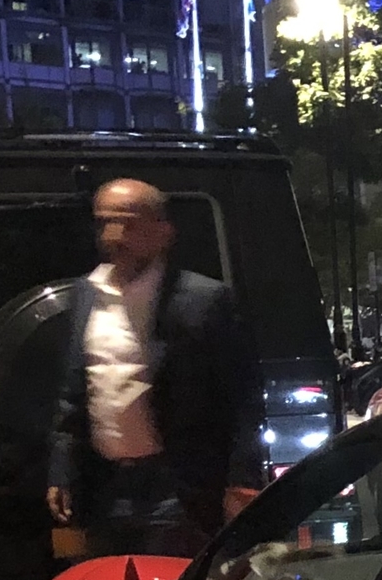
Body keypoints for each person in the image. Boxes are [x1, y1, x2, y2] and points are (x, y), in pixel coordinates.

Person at [47, 179, 264, 558]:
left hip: (176, 486)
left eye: (129, 223)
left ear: (163, 232)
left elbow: (242, 396)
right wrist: (62, 471)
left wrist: (241, 480)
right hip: (105, 486)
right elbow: (74, 393)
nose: (115, 235)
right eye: (105, 223)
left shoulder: (203, 301)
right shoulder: (86, 294)